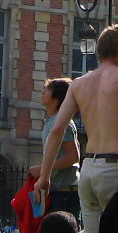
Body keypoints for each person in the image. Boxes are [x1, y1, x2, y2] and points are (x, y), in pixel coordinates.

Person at [34, 25, 118, 233]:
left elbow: (57, 130)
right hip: (116, 169)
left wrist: (45, 176)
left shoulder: (78, 84)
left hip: (88, 170)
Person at [38, 77, 82, 216]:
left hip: (65, 192)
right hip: (57, 191)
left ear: (57, 97)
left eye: (47, 89)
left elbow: (73, 156)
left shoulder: (63, 122)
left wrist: (42, 170)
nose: (43, 92)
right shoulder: (51, 121)